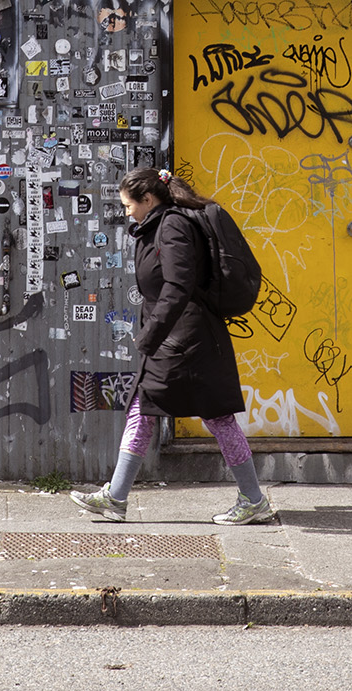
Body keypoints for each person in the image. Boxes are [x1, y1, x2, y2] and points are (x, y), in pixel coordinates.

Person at [70, 165, 275, 525]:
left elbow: (178, 285)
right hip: (176, 339)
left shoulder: (173, 226)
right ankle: (116, 497)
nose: (126, 212)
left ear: (147, 199)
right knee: (144, 408)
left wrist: (152, 333)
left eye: (128, 204)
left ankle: (253, 499)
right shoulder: (157, 225)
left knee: (216, 417)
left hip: (187, 341)